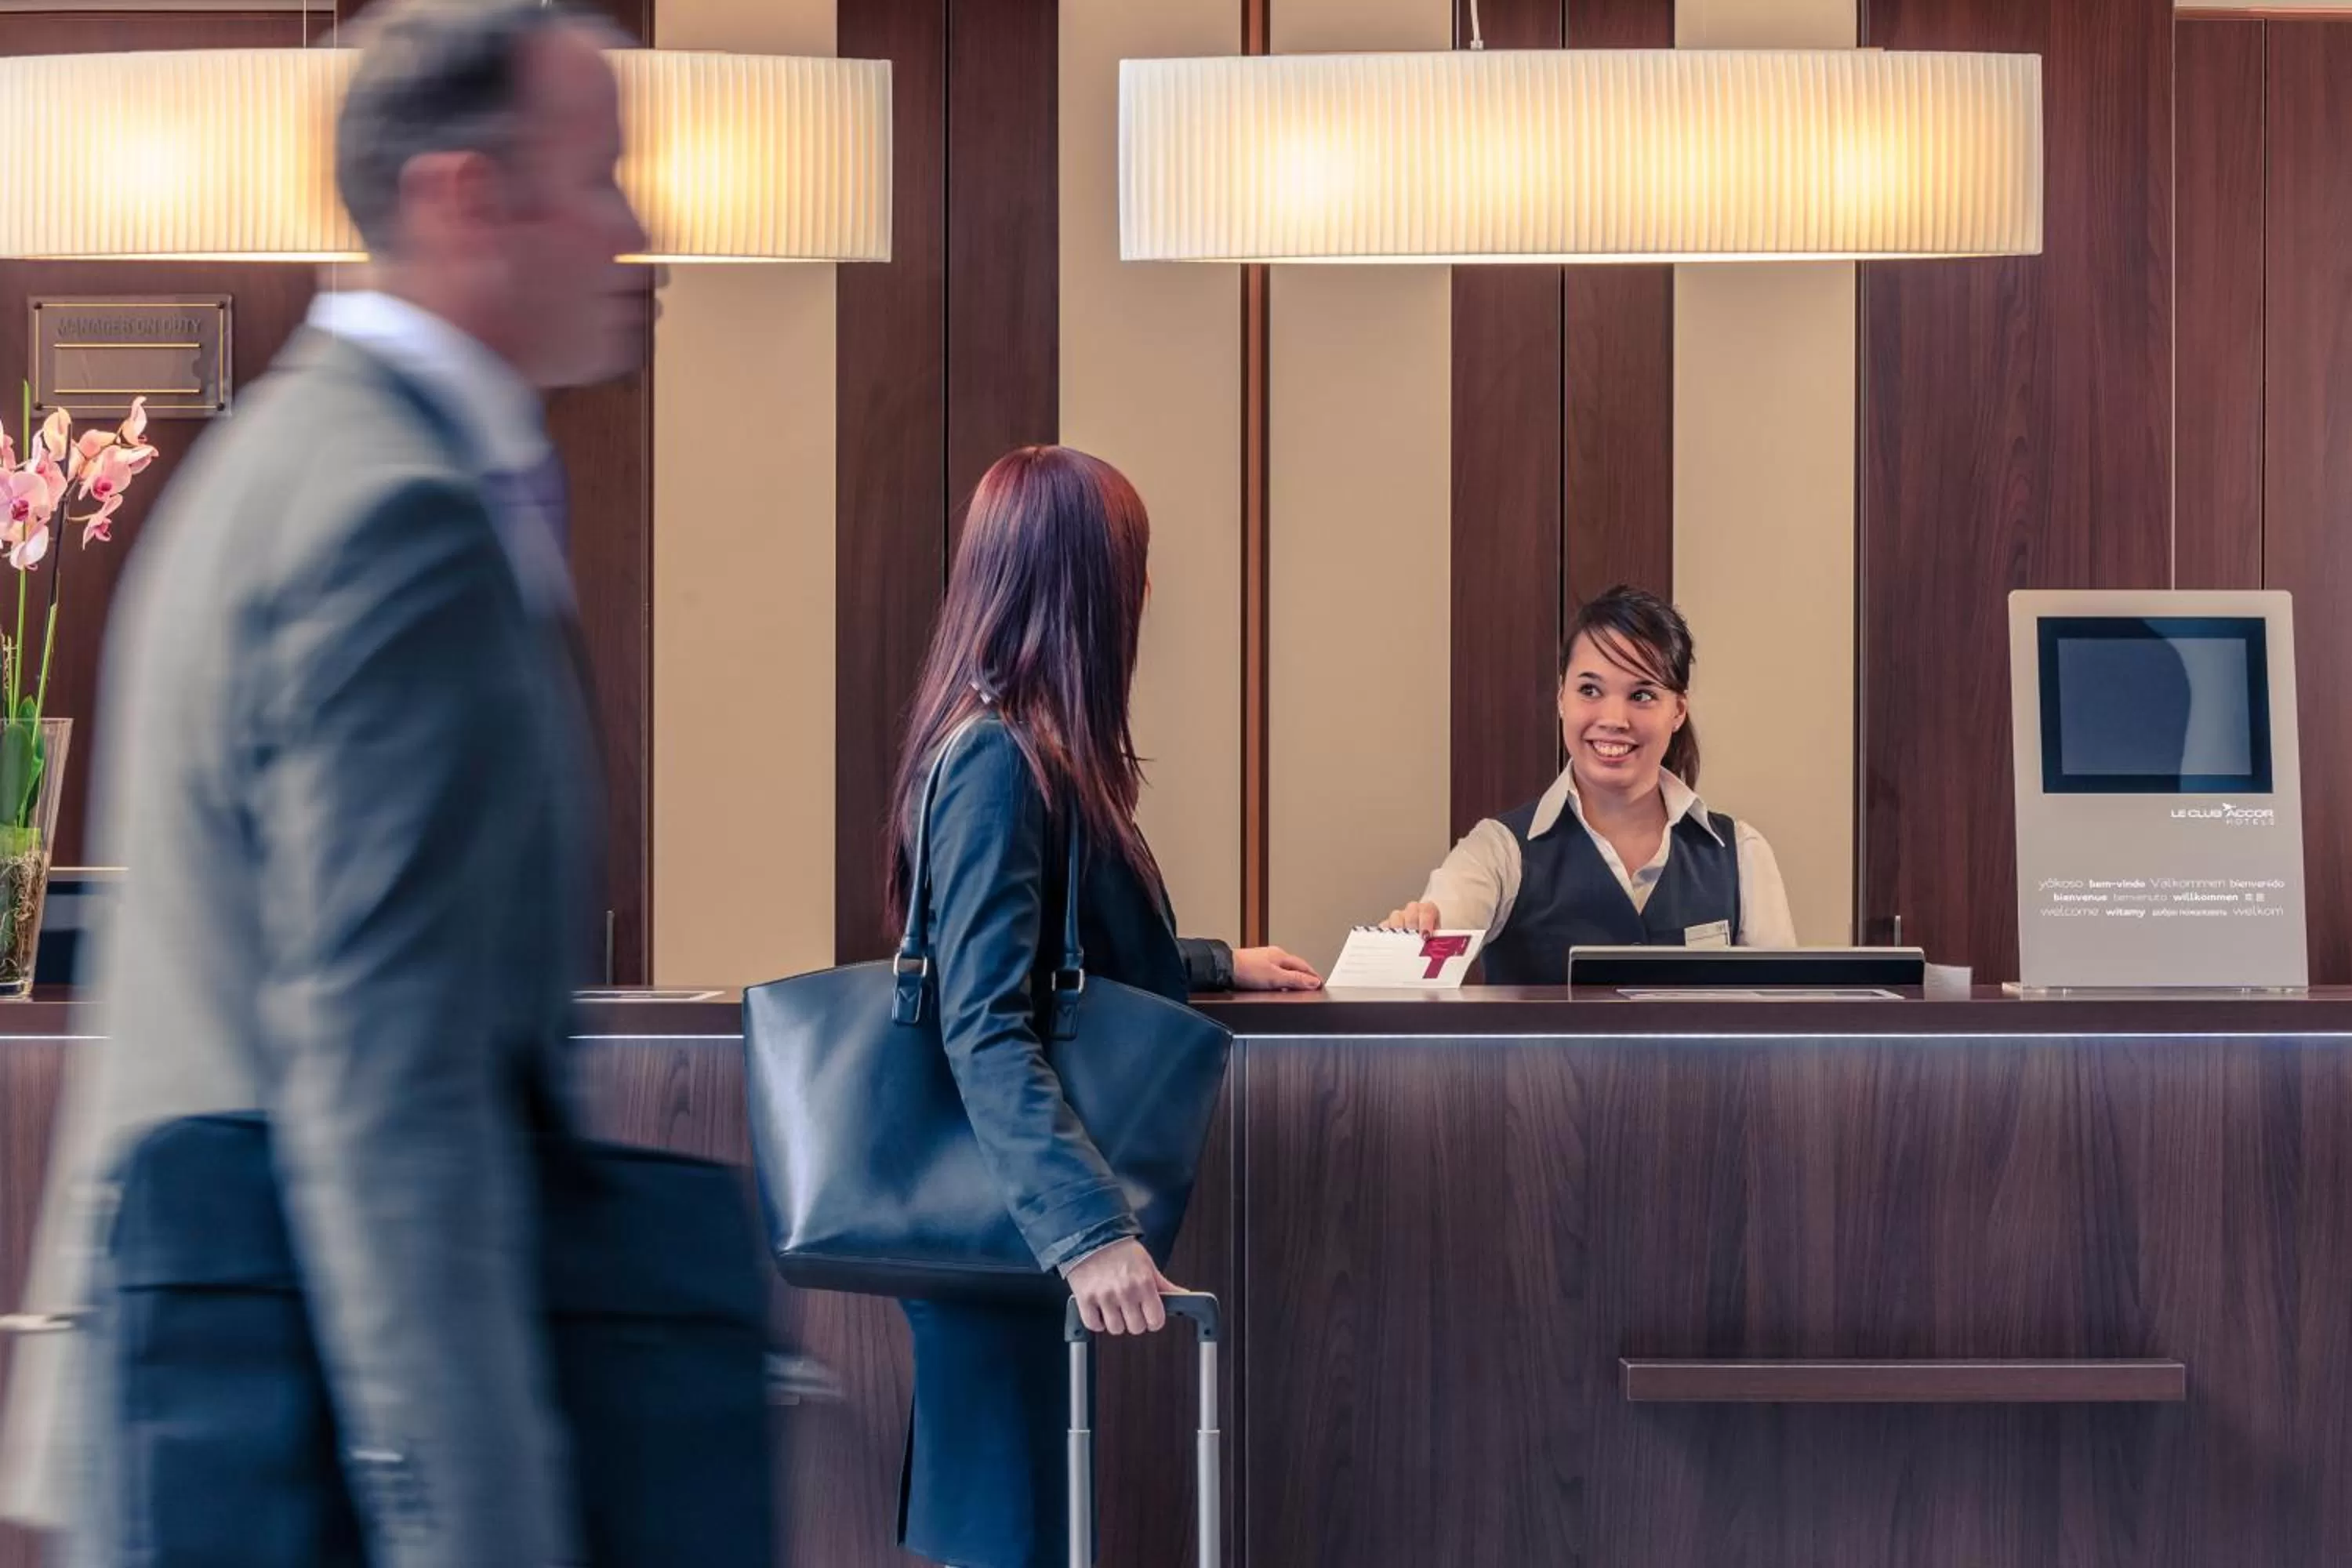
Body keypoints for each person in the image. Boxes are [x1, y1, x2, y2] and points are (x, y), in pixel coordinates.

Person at [0, 3, 655, 1563]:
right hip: (312, 1458)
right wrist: (478, 1524)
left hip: (238, 1421)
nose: (635, 229)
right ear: (461, 200)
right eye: (599, 174)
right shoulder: (395, 518)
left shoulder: (294, 462)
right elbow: (392, 1089)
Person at [886, 445, 1319, 1568]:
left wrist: (1217, 959)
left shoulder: (1022, 745)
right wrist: (1088, 1233)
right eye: (1133, 565)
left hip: (1005, 1238)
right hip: (1007, 1240)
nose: (1145, 592)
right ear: (1084, 584)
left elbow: (1047, 954)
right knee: (1007, 1541)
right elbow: (982, 1018)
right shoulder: (996, 761)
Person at [1385, 585, 1797, 981]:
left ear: (1678, 710)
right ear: (1562, 697)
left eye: (1642, 695)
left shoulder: (1741, 853)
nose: (1614, 719)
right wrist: (1407, 942)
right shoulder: (1498, 851)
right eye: (1590, 690)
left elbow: (1790, 1022)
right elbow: (1427, 948)